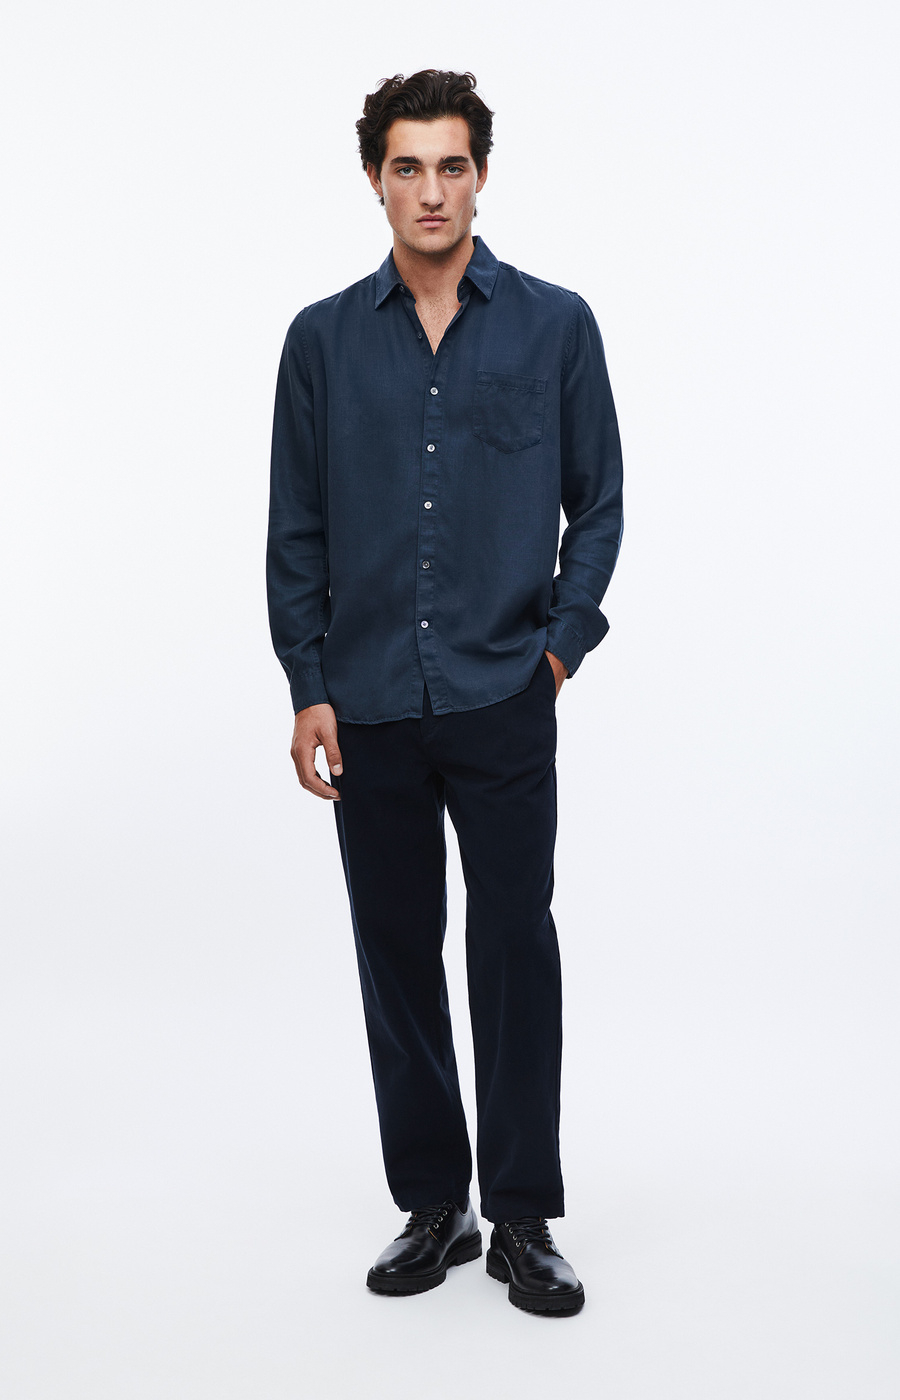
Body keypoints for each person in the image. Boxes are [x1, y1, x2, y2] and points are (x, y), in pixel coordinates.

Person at [266, 69, 623, 1315]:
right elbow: (297, 528)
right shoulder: (320, 342)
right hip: (366, 699)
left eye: (452, 165)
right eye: (408, 166)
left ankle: (522, 1214)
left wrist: (559, 649)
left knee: (514, 947)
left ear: (481, 176)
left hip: (503, 692)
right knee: (395, 951)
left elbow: (599, 503)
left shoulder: (555, 325)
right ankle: (436, 1203)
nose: (431, 190)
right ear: (375, 178)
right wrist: (308, 682)